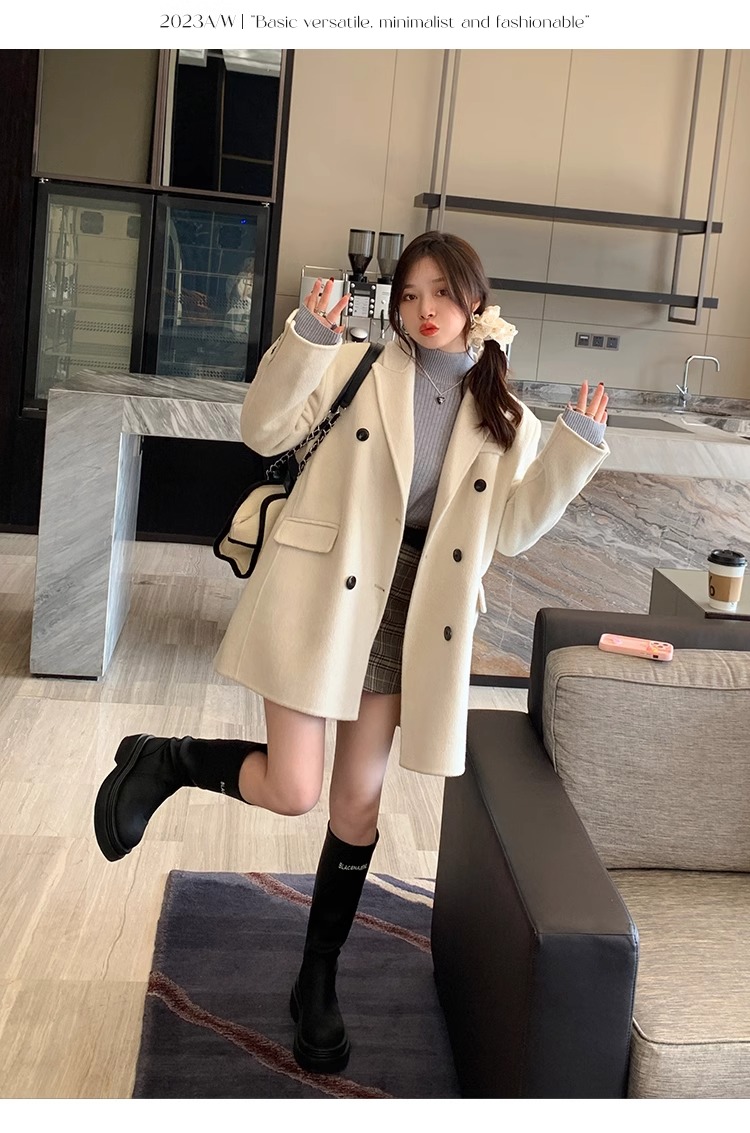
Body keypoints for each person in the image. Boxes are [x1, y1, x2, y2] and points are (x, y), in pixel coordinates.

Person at [93, 230, 609, 1075]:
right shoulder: (359, 364)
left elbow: (511, 530)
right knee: (294, 787)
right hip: (325, 590)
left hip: (414, 614)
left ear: (475, 301)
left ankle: (317, 978)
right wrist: (307, 337)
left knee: (356, 805)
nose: (425, 309)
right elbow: (262, 429)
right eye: (410, 294)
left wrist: (574, 447)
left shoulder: (507, 417)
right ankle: (168, 759)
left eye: (441, 292)